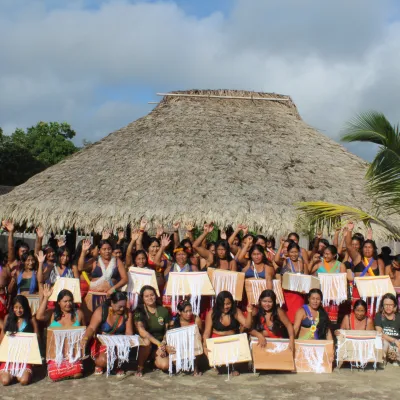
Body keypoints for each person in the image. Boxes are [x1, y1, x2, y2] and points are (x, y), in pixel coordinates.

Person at [36, 285, 85, 381]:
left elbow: (84, 329)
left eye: (70, 300)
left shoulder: (78, 313)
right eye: (65, 301)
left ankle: (66, 373)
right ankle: (67, 373)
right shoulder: (52, 313)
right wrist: (46, 297)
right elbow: (39, 316)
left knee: (78, 372)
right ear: (59, 302)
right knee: (54, 376)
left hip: (73, 354)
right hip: (56, 354)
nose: (68, 303)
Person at [83, 291, 134, 376]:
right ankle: (98, 363)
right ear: (112, 303)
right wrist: (85, 339)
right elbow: (91, 328)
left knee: (117, 360)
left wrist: (125, 347)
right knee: (103, 361)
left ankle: (116, 365)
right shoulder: (101, 311)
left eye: (124, 306)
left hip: (118, 342)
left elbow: (129, 332)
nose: (122, 309)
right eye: (119, 307)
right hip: (102, 342)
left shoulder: (127, 313)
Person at [203, 291, 252, 376]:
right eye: (223, 304)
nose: (225, 307)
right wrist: (204, 345)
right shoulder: (212, 313)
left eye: (228, 304)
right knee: (222, 369)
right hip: (217, 342)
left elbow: (247, 325)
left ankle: (233, 367)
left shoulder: (235, 311)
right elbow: (207, 332)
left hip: (232, 342)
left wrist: (249, 312)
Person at [79, 239, 128, 318]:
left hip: (110, 296)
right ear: (99, 251)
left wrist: (113, 289)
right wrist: (83, 252)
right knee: (91, 321)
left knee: (108, 321)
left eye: (109, 249)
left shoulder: (117, 261)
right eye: (104, 249)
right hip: (93, 297)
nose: (107, 251)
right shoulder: (95, 261)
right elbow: (80, 268)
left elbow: (125, 279)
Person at [0, 295, 39, 386]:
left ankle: (22, 373)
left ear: (25, 308)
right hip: (9, 358)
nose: (18, 310)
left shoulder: (31, 319)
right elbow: (2, 338)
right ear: (12, 308)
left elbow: (37, 338)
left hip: (24, 358)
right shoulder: (8, 318)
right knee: (5, 381)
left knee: (24, 381)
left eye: (21, 307)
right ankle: (10, 373)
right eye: (16, 307)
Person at [134, 285, 170, 376]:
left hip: (160, 344)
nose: (150, 298)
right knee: (146, 342)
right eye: (146, 296)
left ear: (156, 295)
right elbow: (141, 331)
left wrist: (163, 343)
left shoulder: (163, 311)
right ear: (142, 298)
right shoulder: (139, 311)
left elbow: (167, 330)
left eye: (152, 295)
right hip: (145, 344)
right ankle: (140, 366)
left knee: (165, 365)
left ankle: (152, 362)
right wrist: (158, 343)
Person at [275, 241, 308, 323]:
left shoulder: (303, 264)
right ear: (288, 252)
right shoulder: (285, 261)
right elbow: (276, 260)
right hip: (287, 294)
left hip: (299, 294)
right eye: (292, 252)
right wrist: (281, 245)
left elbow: (307, 278)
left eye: (296, 252)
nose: (294, 254)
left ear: (299, 252)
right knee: (287, 318)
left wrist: (305, 290)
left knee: (297, 318)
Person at [169, 299, 203, 376]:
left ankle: (195, 368)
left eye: (190, 311)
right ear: (179, 312)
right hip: (180, 345)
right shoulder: (173, 322)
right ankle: (179, 366)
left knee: (197, 342)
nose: (189, 313)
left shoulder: (196, 319)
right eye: (186, 311)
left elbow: (201, 333)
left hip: (193, 344)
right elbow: (169, 338)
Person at [374, 293, 400, 365]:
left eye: (390, 305)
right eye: (386, 305)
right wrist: (394, 340)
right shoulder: (378, 315)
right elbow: (380, 333)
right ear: (382, 305)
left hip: (398, 343)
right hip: (386, 342)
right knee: (383, 342)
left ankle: (394, 357)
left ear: (395, 305)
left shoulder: (398, 316)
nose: (388, 307)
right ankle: (384, 358)